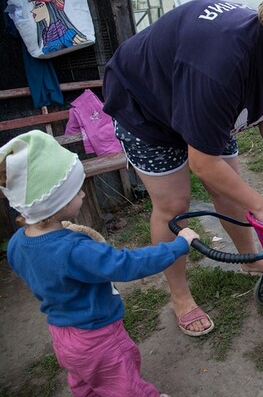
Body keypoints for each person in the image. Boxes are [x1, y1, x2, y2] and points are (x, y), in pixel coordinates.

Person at [102, 0, 263, 337]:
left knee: (232, 189)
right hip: (147, 107)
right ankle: (180, 295)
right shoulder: (220, 65)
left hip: (204, 101)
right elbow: (204, 164)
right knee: (173, 206)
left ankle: (250, 260)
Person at [0, 130, 201, 397]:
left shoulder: (17, 243)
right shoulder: (75, 250)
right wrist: (178, 245)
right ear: (55, 204)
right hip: (98, 336)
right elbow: (126, 264)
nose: (83, 194)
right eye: (75, 191)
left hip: (62, 335)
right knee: (124, 384)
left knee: (86, 382)